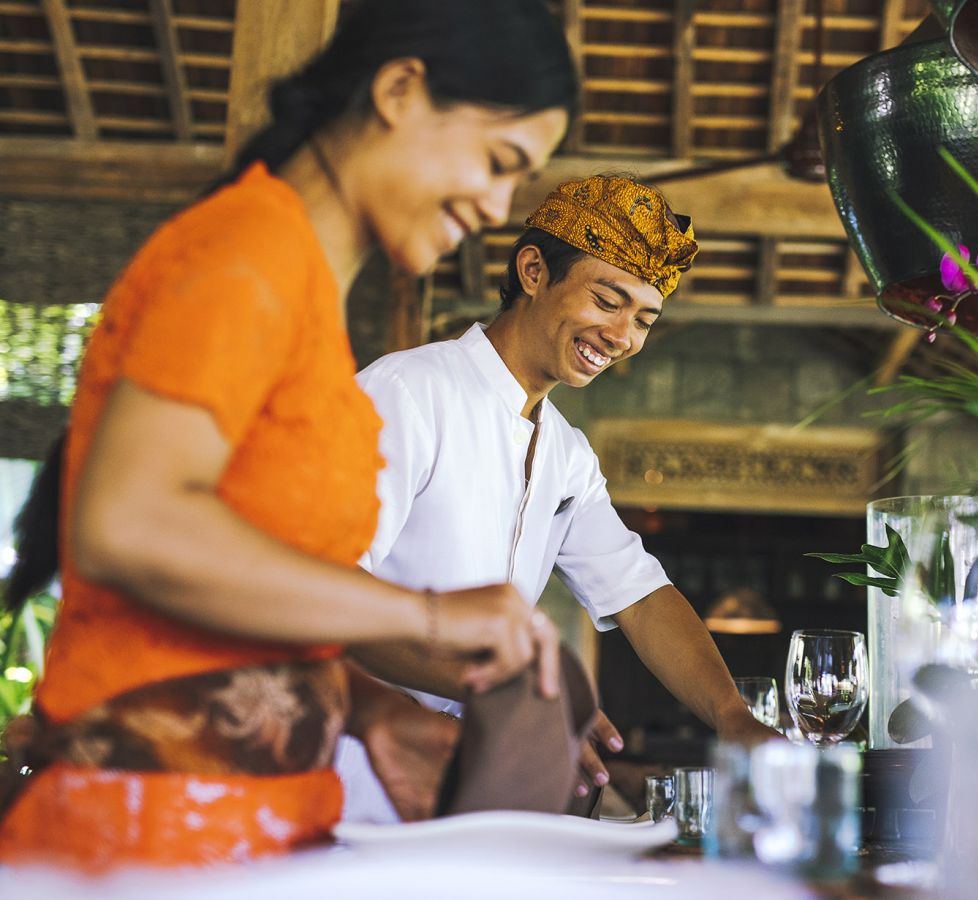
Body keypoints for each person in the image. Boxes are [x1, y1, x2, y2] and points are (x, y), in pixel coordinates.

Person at [0, 0, 580, 871]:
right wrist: (426, 617)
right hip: (146, 838)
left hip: (251, 832)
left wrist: (369, 707)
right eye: (500, 162)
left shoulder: (307, 299)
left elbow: (237, 599)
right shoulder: (249, 252)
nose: (500, 205)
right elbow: (131, 525)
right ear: (399, 90)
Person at [337, 174, 781, 823]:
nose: (624, 335)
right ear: (534, 270)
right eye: (609, 300)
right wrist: (521, 695)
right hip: (358, 775)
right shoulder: (407, 393)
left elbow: (642, 595)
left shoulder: (567, 454)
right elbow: (328, 593)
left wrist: (733, 717)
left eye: (644, 319)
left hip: (470, 789)